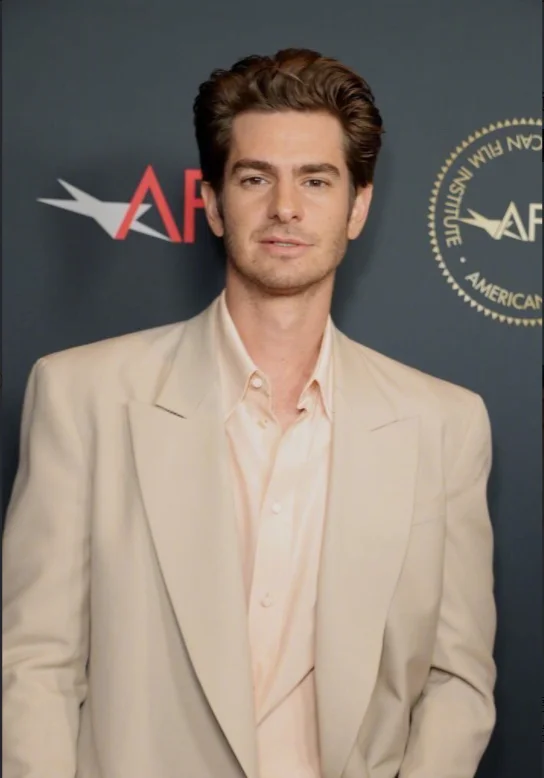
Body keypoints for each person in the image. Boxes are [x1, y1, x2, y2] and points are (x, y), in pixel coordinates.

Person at [2, 48, 496, 778]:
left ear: (358, 207)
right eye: (256, 177)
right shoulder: (84, 397)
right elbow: (35, 666)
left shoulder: (445, 424)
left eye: (316, 180)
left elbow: (458, 680)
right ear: (211, 203)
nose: (285, 207)